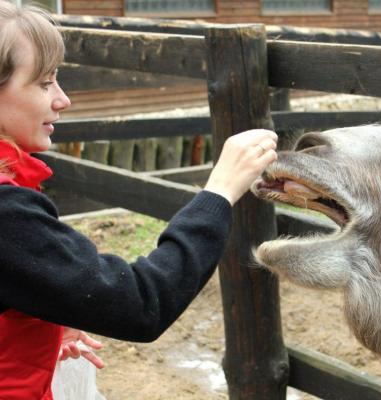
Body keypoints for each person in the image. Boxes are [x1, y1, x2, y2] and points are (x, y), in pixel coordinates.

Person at [0, 1, 278, 399]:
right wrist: (219, 192)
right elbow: (140, 303)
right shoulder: (7, 213)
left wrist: (42, 311)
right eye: (44, 84)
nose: (63, 100)